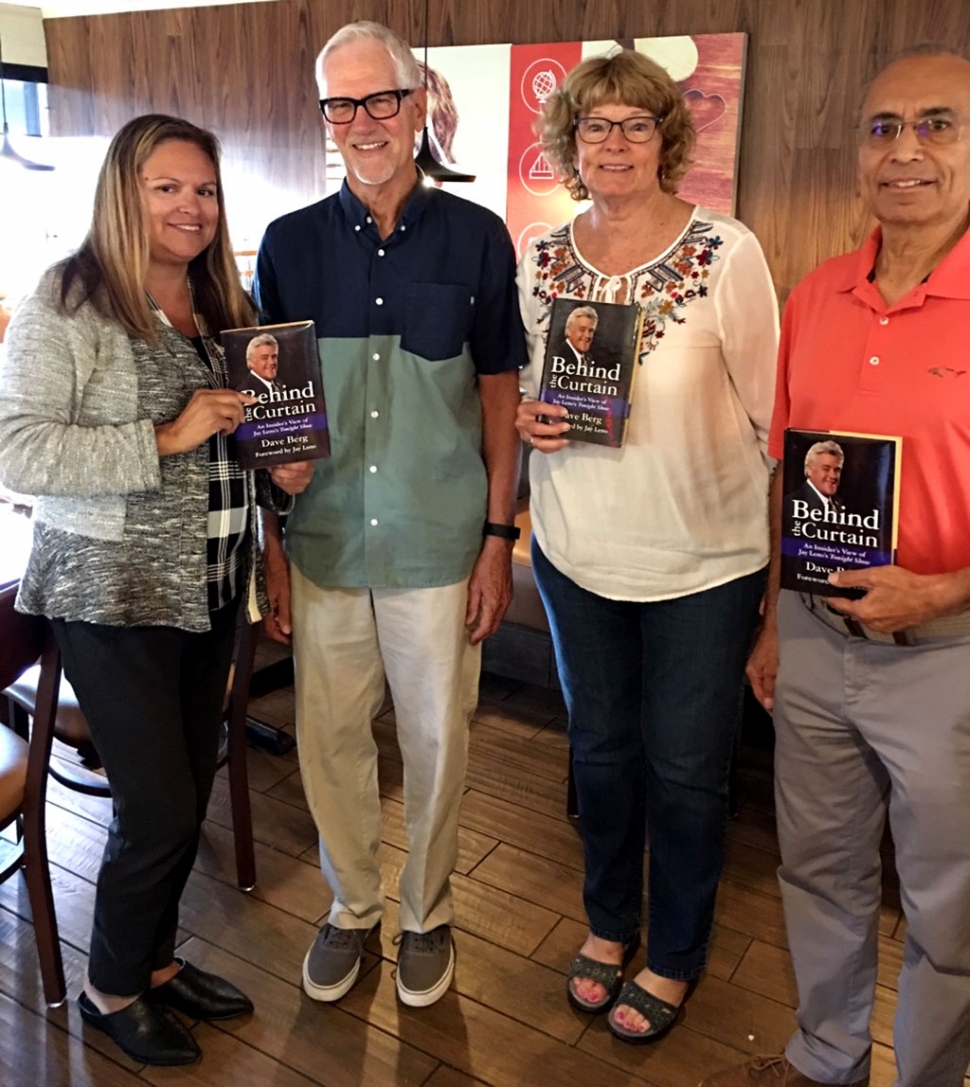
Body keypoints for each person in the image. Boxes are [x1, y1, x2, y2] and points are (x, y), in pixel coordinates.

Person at [0, 114, 311, 1067]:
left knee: (182, 794)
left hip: (211, 587)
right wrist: (163, 438)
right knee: (163, 806)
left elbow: (245, 441)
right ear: (123, 192)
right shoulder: (70, 298)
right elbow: (17, 446)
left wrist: (279, 476)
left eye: (205, 190)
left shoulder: (223, 298)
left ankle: (156, 963)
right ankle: (110, 988)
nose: (191, 207)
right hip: (113, 590)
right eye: (167, 188)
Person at [704, 47, 970, 1087]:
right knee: (817, 869)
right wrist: (774, 620)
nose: (904, 149)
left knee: (951, 898)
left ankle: (931, 1074)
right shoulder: (814, 295)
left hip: (947, 656)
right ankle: (825, 1056)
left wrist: (943, 588)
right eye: (881, 128)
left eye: (937, 124)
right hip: (815, 641)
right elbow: (786, 471)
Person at [253, 21, 524, 1009]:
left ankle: (426, 913)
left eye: (382, 100)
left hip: (439, 541)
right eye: (341, 104)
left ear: (417, 107)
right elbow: (269, 408)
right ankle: (352, 906)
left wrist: (499, 541)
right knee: (327, 734)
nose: (362, 122)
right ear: (324, 117)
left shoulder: (477, 237)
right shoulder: (285, 246)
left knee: (438, 736)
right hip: (323, 540)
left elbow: (499, 394)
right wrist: (275, 549)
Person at [515, 49, 778, 1043]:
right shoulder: (538, 257)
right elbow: (522, 395)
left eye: (634, 123)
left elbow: (774, 423)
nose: (613, 141)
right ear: (571, 142)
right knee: (602, 755)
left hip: (702, 567)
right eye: (594, 125)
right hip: (577, 557)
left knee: (683, 769)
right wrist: (526, 422)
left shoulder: (727, 250)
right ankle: (606, 923)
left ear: (667, 139)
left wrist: (778, 586)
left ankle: (674, 950)